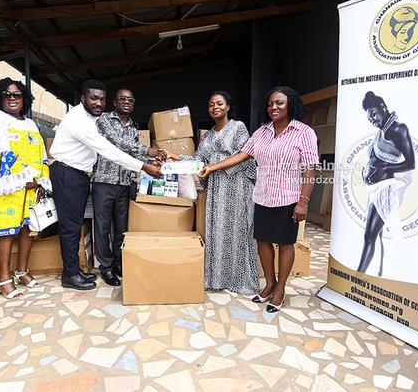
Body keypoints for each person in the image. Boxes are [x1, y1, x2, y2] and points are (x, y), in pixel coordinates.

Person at [200, 86, 318, 312]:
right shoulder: (262, 132)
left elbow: (310, 170)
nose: (274, 107)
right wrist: (212, 167)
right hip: (262, 195)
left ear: (290, 105)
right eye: (271, 103)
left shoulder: (303, 132)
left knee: (285, 244)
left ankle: (281, 289)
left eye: (279, 103)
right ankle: (269, 284)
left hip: (288, 197)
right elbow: (243, 155)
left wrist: (303, 202)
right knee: (263, 242)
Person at [49, 79, 162, 291]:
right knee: (72, 228)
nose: (98, 103)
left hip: (82, 176)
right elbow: (109, 149)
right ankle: (71, 275)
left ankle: (74, 271)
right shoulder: (81, 122)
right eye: (93, 98)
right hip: (69, 174)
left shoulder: (92, 119)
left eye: (101, 99)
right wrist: (144, 165)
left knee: (78, 227)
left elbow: (129, 148)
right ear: (83, 98)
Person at [165, 91, 259, 295]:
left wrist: (214, 166)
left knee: (239, 231)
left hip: (237, 186)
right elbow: (198, 161)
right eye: (211, 105)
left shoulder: (238, 127)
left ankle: (240, 280)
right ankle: (217, 278)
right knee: (218, 231)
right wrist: (173, 156)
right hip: (217, 189)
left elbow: (244, 156)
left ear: (228, 107)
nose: (215, 107)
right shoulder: (207, 135)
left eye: (219, 103)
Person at [0, 78, 50, 299]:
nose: (12, 98)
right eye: (7, 94)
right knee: (7, 232)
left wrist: (42, 181)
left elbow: (42, 155)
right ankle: (3, 279)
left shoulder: (30, 123)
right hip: (7, 187)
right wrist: (25, 178)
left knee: (28, 230)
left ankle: (22, 271)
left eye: (17, 94)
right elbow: (2, 154)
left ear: (24, 99)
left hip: (31, 186)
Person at [91, 88, 164, 286]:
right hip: (104, 181)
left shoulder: (133, 127)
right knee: (103, 228)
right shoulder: (104, 121)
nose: (126, 102)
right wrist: (147, 149)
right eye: (122, 99)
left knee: (121, 228)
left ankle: (117, 262)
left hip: (124, 182)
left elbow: (134, 156)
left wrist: (153, 159)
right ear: (114, 102)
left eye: (130, 100)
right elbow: (118, 143)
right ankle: (105, 268)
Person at [357, 91, 415, 276]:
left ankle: (358, 276)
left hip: (385, 190)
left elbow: (410, 163)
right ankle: (378, 273)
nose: (372, 120)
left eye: (373, 114)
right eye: (369, 118)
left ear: (383, 107)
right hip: (373, 189)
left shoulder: (399, 129)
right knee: (377, 236)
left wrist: (385, 170)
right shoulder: (381, 132)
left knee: (369, 237)